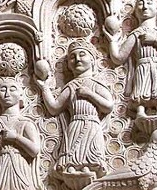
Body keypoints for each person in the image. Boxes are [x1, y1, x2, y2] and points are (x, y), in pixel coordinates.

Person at [36, 39, 113, 180]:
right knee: (73, 152)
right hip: (75, 123)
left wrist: (89, 94)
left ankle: (88, 167)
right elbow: (54, 108)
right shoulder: (71, 86)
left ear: (93, 60)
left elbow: (108, 106)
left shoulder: (96, 84)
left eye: (82, 54)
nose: (77, 59)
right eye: (72, 57)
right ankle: (72, 167)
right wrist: (44, 88)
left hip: (92, 124)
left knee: (90, 152)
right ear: (68, 65)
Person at [105, 0, 157, 116]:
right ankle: (140, 110)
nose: (144, 7)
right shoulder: (135, 34)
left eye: (149, 3)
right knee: (142, 87)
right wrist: (112, 41)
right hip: (142, 66)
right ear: (136, 12)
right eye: (140, 4)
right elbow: (118, 58)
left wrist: (154, 40)